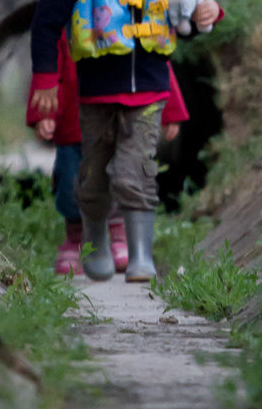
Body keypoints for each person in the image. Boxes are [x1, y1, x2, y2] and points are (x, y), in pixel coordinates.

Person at [27, 0, 220, 283]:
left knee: (138, 173)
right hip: (96, 93)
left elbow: (193, 15)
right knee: (92, 175)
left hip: (149, 94)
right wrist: (45, 79)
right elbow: (46, 22)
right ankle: (94, 243)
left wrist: (209, 14)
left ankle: (141, 257)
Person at [31, 28, 190, 275]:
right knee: (72, 182)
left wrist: (170, 111)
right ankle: (75, 240)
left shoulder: (131, 20)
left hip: (119, 121)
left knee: (121, 177)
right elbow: (48, 73)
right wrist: (44, 113)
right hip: (74, 128)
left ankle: (120, 236)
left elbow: (154, 67)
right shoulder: (64, 27)